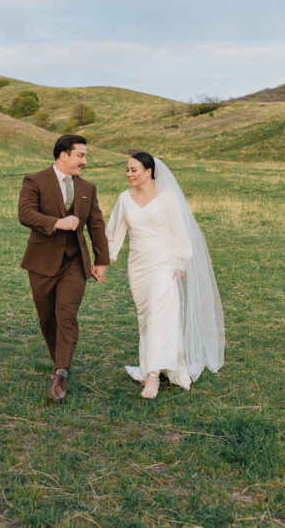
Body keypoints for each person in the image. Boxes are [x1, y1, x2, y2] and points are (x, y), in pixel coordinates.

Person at [106, 152, 225, 398]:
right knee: (147, 317)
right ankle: (155, 364)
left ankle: (152, 376)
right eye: (127, 170)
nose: (129, 174)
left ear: (148, 171)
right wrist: (103, 261)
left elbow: (179, 230)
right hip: (137, 265)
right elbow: (113, 233)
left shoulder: (167, 197)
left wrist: (180, 260)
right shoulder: (124, 199)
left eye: (133, 170)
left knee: (161, 314)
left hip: (163, 263)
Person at [18, 134, 110, 402]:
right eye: (81, 155)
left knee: (66, 314)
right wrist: (57, 223)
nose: (85, 161)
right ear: (63, 155)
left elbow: (96, 224)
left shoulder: (88, 187)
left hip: (74, 262)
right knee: (48, 319)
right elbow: (25, 214)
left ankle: (60, 375)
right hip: (42, 262)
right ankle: (58, 360)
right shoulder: (35, 180)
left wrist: (101, 260)